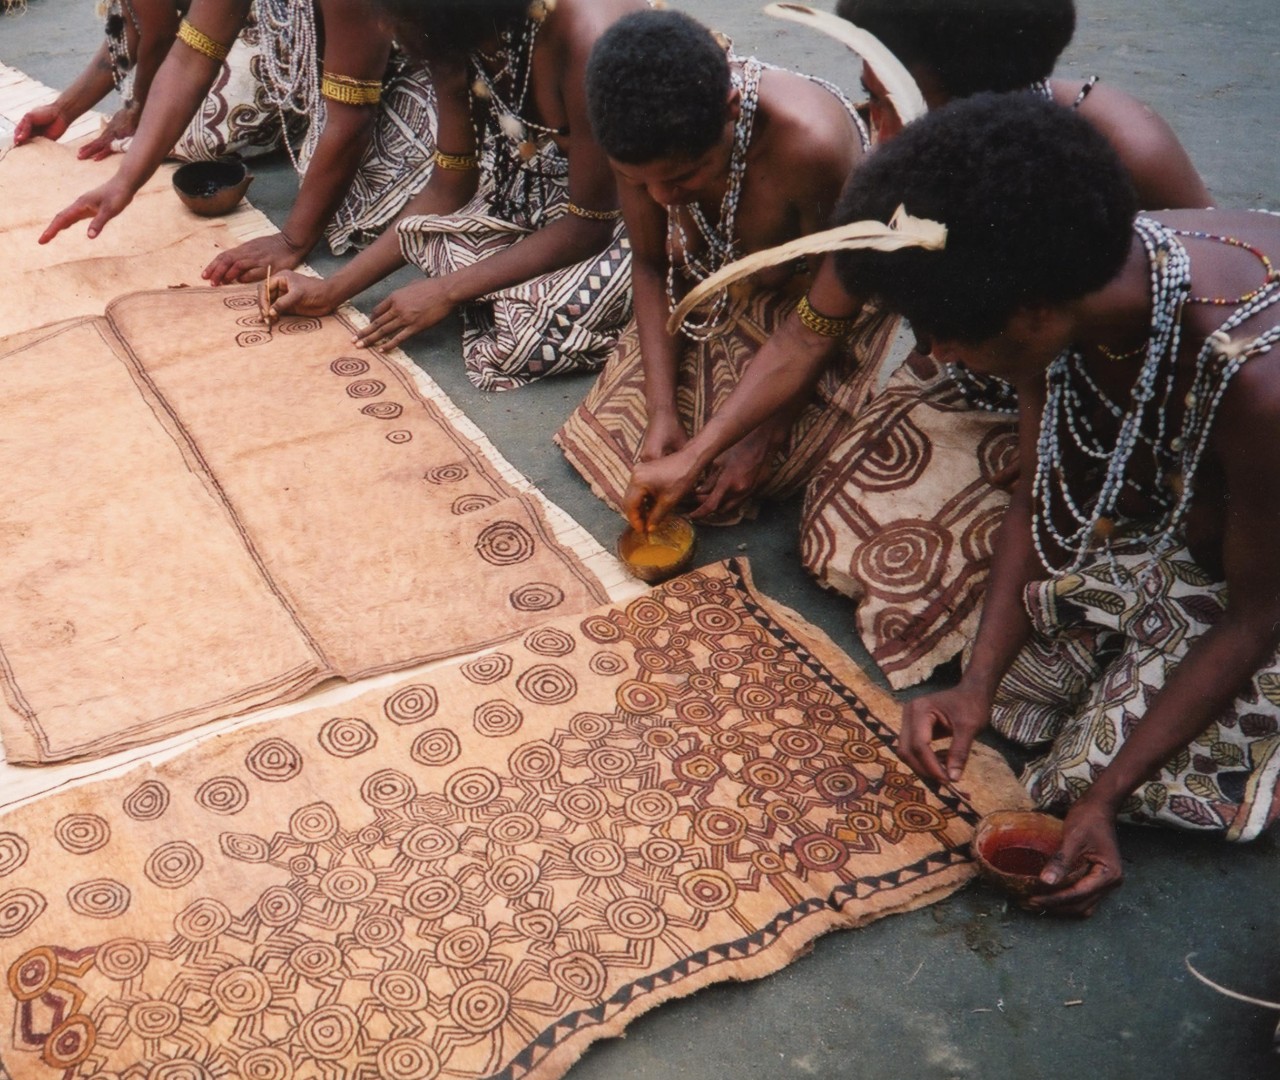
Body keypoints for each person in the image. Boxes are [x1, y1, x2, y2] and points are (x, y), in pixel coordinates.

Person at [622, 0, 1210, 687]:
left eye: (881, 98)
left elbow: (1194, 323)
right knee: (837, 521)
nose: (874, 127)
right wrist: (702, 450)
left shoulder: (1123, 142)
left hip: (1144, 412)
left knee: (1053, 632)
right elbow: (813, 328)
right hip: (995, 379)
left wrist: (1090, 438)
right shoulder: (913, 166)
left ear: (960, 87)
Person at [832, 92, 1280, 916]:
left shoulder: (1260, 379)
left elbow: (1257, 615)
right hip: (1202, 521)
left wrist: (1102, 800)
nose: (934, 353)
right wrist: (974, 685)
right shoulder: (1072, 291)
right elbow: (1040, 495)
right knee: (1017, 685)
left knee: (1086, 775)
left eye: (944, 331)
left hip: (1262, 578)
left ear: (1031, 315)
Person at [554, 8, 896, 521]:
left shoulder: (809, 148)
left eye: (685, 175)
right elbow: (650, 266)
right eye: (639, 180)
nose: (662, 197)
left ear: (731, 109)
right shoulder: (630, 136)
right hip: (719, 278)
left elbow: (821, 321)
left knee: (737, 477)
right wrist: (661, 412)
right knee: (627, 444)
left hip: (822, 301)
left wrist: (762, 436)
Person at [266, 0, 642, 391]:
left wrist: (448, 290)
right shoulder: (459, 34)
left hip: (636, 206)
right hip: (553, 190)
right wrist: (332, 289)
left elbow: (590, 223)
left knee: (523, 334)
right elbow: (449, 186)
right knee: (429, 240)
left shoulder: (587, 39)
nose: (389, 32)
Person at [37, 0, 437, 280]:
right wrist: (124, 180)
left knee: (392, 216)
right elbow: (189, 57)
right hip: (326, 64)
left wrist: (292, 240)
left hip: (424, 69)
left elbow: (352, 116)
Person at [14, 0, 289, 164]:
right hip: (211, 24)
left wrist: (138, 110)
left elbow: (159, 36)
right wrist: (64, 110)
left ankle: (295, 119)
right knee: (164, 122)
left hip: (273, 29)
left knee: (192, 137)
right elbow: (130, 24)